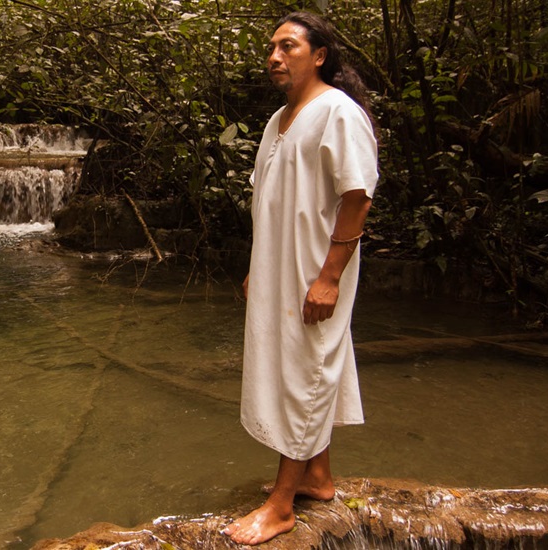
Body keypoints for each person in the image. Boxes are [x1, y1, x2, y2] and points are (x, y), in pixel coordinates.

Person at [223, 11, 379, 546]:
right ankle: (317, 477)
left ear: (319, 57)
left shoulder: (338, 112)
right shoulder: (278, 120)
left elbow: (358, 196)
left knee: (305, 370)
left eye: (287, 46)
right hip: (279, 267)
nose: (274, 56)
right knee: (304, 363)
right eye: (271, 48)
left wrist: (330, 276)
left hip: (316, 268)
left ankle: (281, 504)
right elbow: (272, 202)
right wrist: (256, 268)